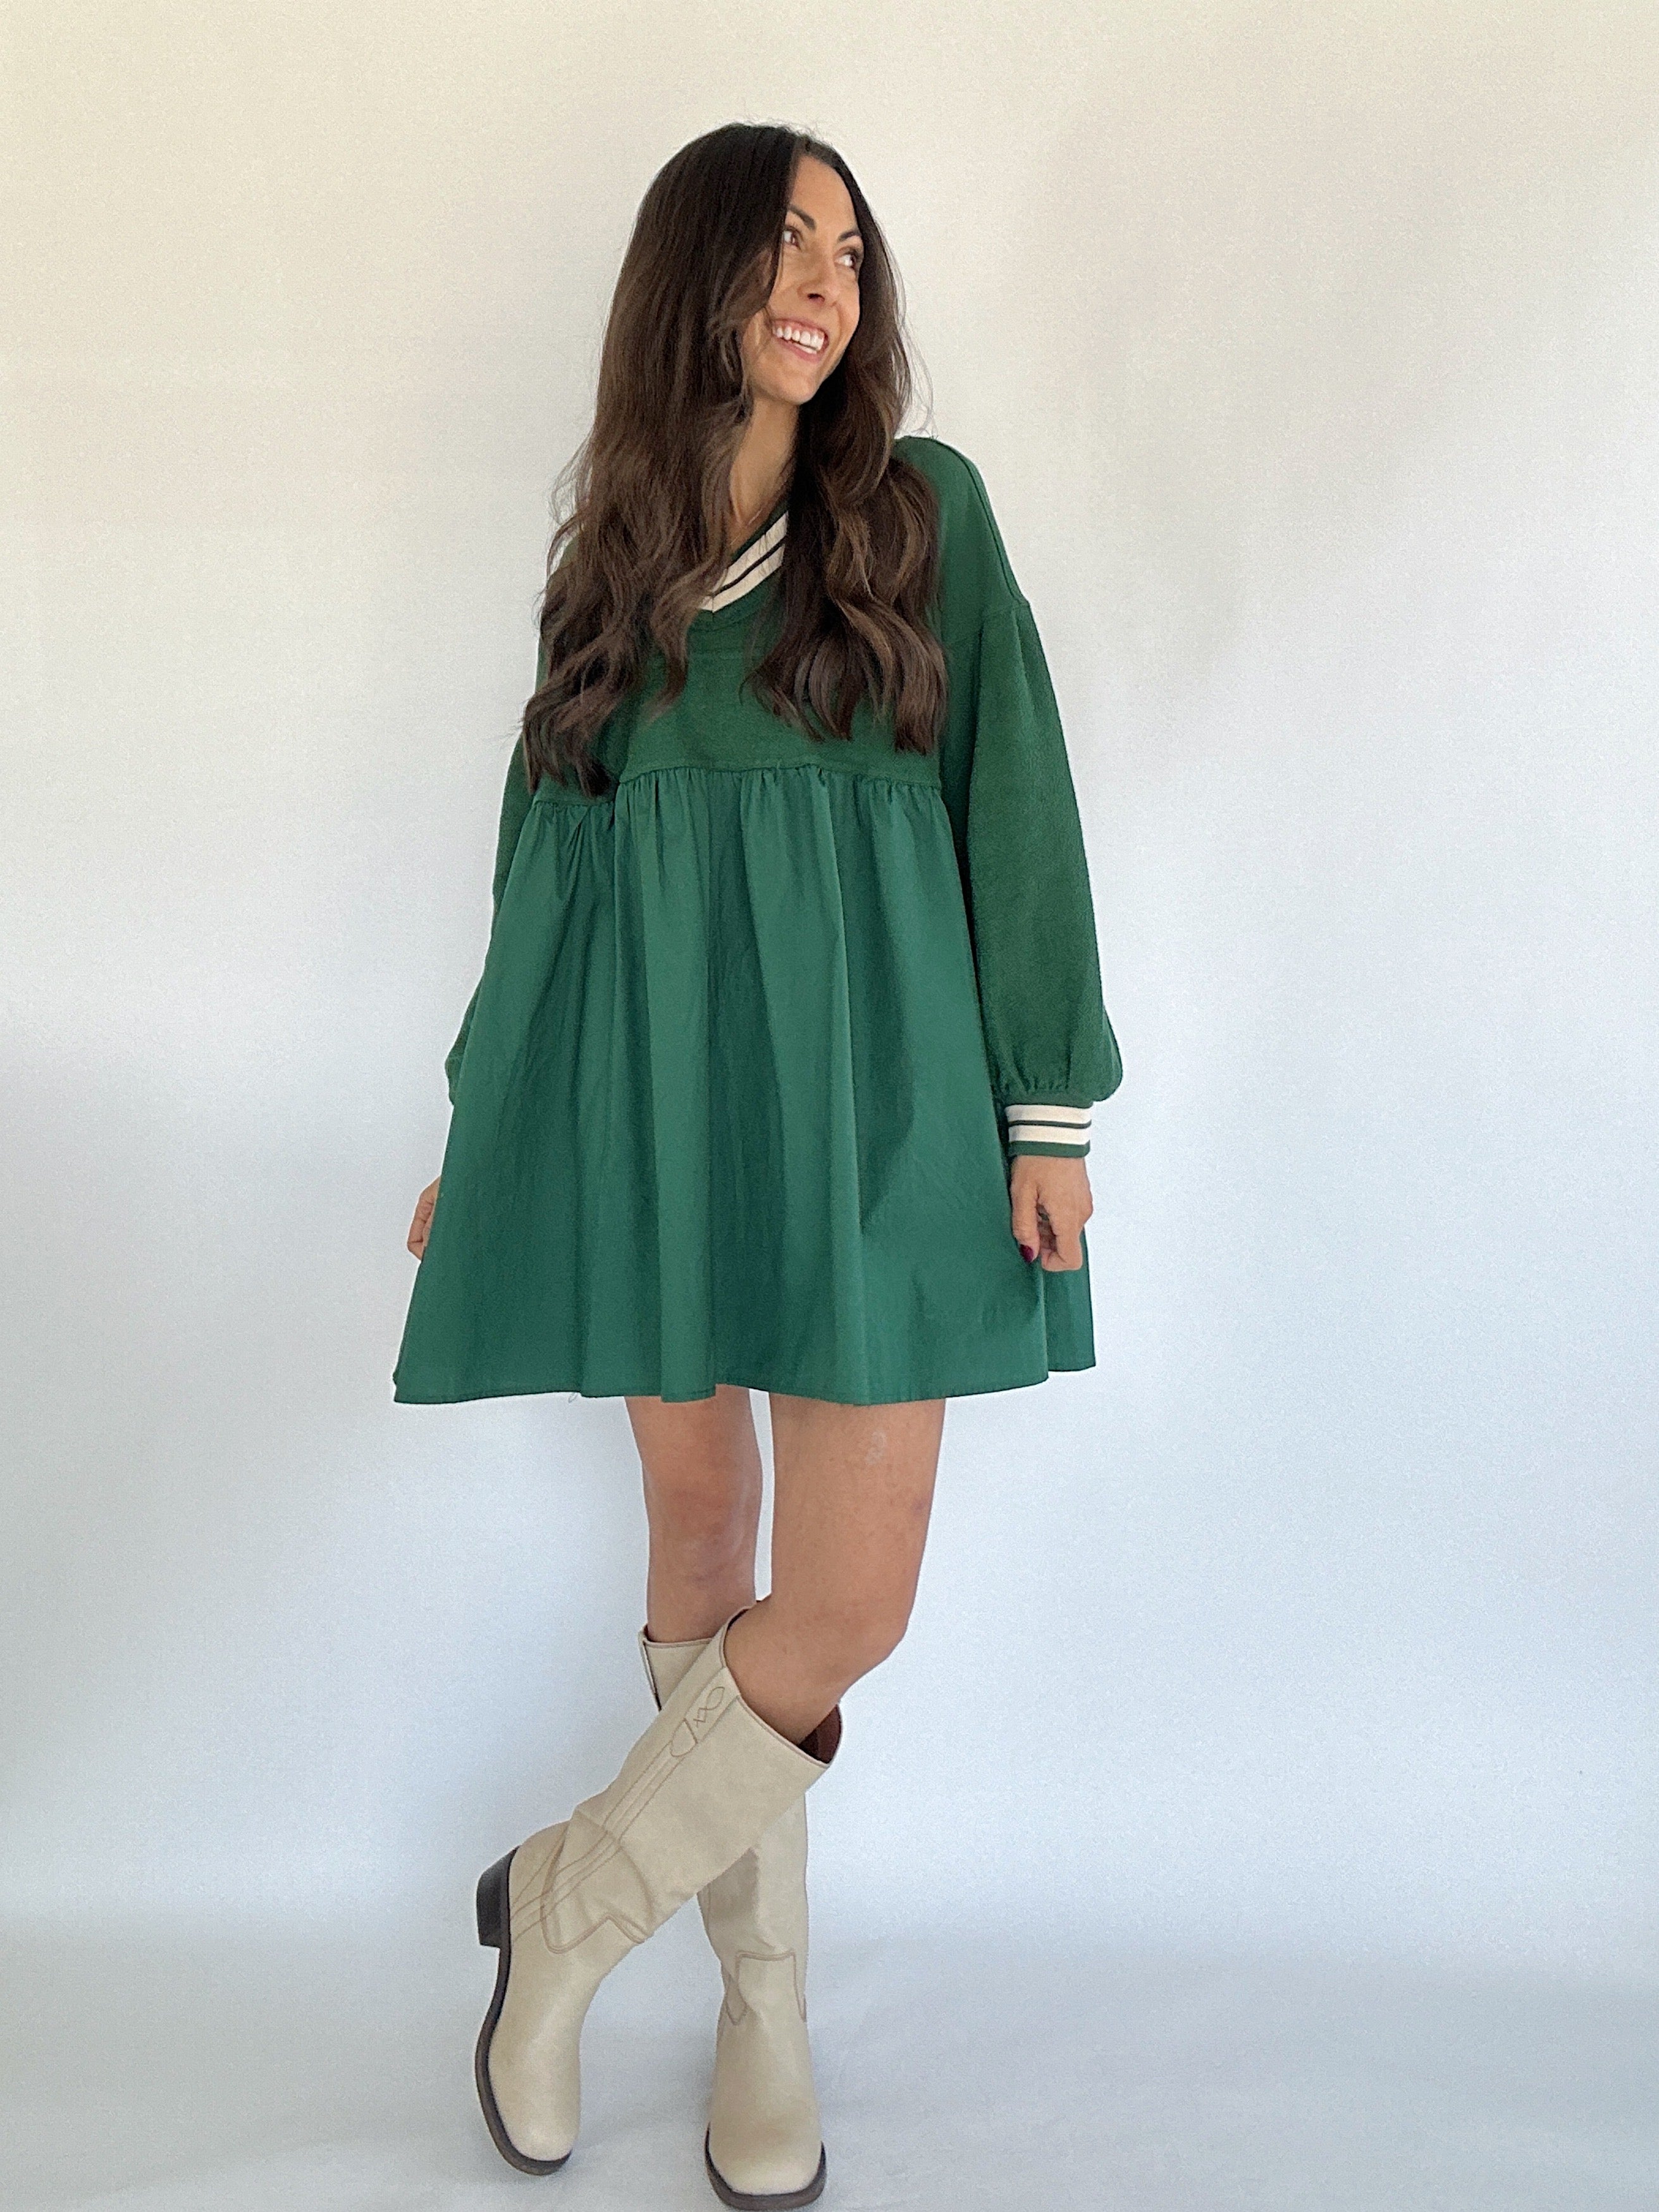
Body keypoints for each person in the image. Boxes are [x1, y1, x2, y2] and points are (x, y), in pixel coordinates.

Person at [393, 120, 1123, 2206]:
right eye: (786, 239)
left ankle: (576, 1899)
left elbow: (1019, 788)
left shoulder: (918, 515)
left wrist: (1042, 1102)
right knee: (706, 1554)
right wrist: (488, 1123)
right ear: (695, 272)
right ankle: (763, 2011)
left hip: (885, 1106)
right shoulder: (603, 566)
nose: (827, 278)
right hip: (663, 1102)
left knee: (849, 1600)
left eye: (849, 247)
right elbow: (547, 876)